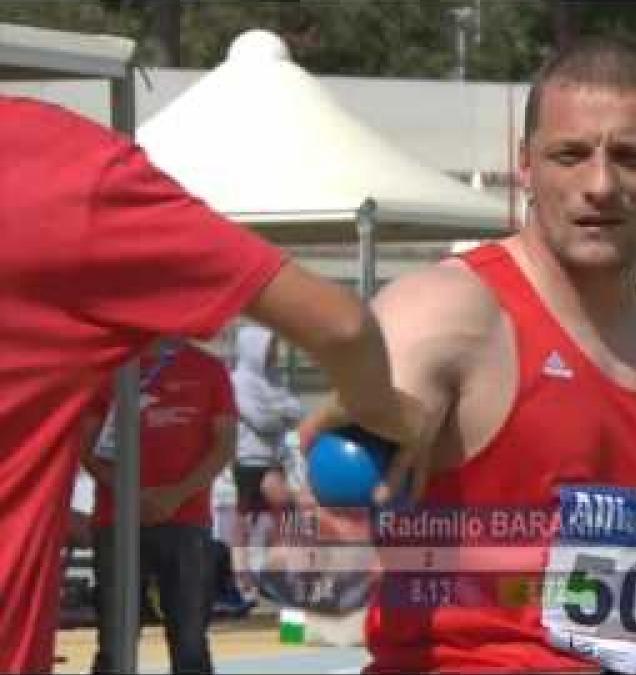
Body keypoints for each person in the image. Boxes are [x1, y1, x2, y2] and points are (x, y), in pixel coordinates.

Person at [299, 36, 636, 673]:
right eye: (571, 155)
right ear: (526, 165)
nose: (602, 185)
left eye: (633, 158)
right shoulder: (448, 315)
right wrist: (374, 424)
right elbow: (367, 432)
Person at [0, 95, 418, 671]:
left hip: (184, 507)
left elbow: (211, 436)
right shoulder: (54, 165)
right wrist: (387, 414)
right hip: (139, 513)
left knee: (183, 637)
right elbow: (342, 327)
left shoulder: (204, 372)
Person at [80, 338, 237, 673]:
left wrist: (177, 494)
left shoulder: (208, 368)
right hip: (118, 519)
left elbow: (224, 445)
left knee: (190, 638)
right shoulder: (108, 365)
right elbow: (87, 448)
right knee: (115, 636)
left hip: (187, 519)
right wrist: (129, 494)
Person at [227, 324, 307, 599]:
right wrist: (279, 412)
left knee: (279, 515)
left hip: (272, 457)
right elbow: (262, 420)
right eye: (270, 346)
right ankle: (242, 575)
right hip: (249, 457)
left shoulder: (273, 380)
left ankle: (272, 573)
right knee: (250, 517)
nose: (274, 353)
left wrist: (278, 412)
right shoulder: (239, 381)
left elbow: (298, 410)